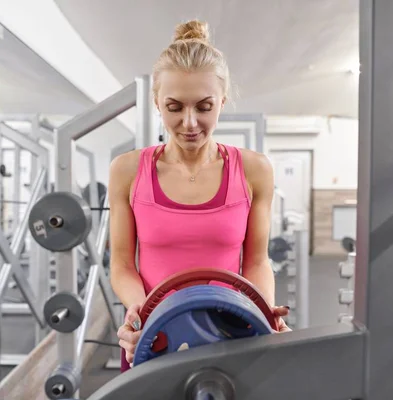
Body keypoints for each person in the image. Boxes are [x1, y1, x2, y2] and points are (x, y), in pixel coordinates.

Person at [108, 19, 290, 372]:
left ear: (222, 101)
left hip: (228, 331)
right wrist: (139, 313)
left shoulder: (254, 170)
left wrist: (264, 311)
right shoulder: (127, 170)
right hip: (153, 333)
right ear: (157, 103)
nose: (190, 123)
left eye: (204, 107)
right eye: (175, 107)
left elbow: (256, 261)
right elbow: (122, 264)